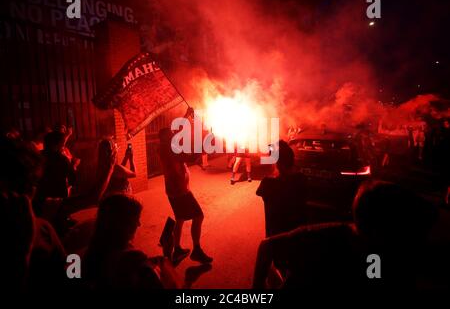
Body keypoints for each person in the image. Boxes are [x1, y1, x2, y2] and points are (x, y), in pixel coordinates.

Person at [253, 181, 437, 289]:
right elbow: (267, 246)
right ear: (382, 229)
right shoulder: (322, 240)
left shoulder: (385, 256)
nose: (418, 240)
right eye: (410, 231)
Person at [0, 136, 67, 292]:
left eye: (35, 183)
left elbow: (70, 268)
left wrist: (76, 260)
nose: (32, 191)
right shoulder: (39, 230)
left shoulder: (43, 229)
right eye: (29, 183)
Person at [83, 194, 180, 290]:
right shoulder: (134, 260)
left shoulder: (93, 251)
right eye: (136, 219)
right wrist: (167, 255)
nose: (139, 224)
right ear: (124, 224)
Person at [158, 123, 213, 264]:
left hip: (175, 189)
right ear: (165, 138)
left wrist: (186, 116)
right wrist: (202, 149)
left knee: (180, 219)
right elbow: (187, 157)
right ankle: (196, 250)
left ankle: (176, 249)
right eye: (170, 134)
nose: (173, 135)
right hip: (180, 191)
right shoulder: (168, 149)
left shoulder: (167, 147)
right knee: (199, 215)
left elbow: (182, 157)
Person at [256, 140, 309, 237]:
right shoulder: (301, 179)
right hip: (297, 236)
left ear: (277, 164)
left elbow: (259, 192)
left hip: (276, 237)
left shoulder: (268, 183)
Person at [36, 130, 77, 200]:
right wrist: (73, 165)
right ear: (57, 144)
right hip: (58, 195)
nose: (63, 146)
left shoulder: (36, 156)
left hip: (40, 195)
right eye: (62, 144)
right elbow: (72, 178)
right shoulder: (62, 159)